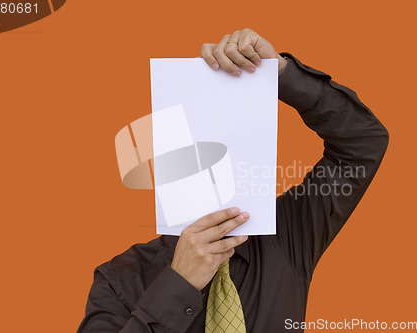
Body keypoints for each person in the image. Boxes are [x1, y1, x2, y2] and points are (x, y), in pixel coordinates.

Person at [77, 28, 389, 333]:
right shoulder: (120, 279)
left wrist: (279, 73)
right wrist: (178, 284)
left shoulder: (288, 235)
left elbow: (362, 144)